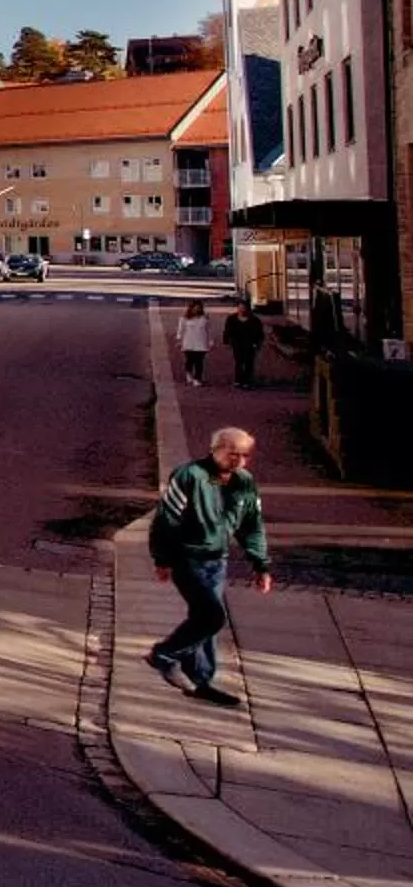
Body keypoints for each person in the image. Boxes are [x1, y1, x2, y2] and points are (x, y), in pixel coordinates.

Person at [146, 426, 272, 708]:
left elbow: (252, 526)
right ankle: (164, 655)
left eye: (245, 455)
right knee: (212, 617)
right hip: (187, 558)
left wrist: (260, 565)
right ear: (215, 450)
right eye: (232, 454)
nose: (238, 461)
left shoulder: (245, 482)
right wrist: (162, 559)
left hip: (218, 560)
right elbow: (166, 521)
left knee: (204, 622)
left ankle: (200, 681)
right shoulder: (190, 476)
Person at [222, 303, 265, 389]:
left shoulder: (254, 320)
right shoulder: (232, 319)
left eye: (244, 308)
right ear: (237, 308)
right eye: (240, 308)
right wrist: (226, 341)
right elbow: (227, 331)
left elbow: (260, 333)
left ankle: (248, 380)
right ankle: (238, 380)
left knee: (249, 362)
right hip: (237, 343)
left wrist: (258, 344)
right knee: (239, 361)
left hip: (250, 343)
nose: (242, 310)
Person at [176, 300, 214, 387]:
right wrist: (179, 339)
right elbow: (180, 330)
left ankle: (197, 378)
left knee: (199, 362)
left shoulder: (205, 318)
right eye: (195, 308)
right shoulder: (184, 318)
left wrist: (210, 341)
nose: (197, 310)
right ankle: (188, 372)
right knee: (190, 360)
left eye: (198, 308)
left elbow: (209, 330)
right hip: (189, 343)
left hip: (201, 343)